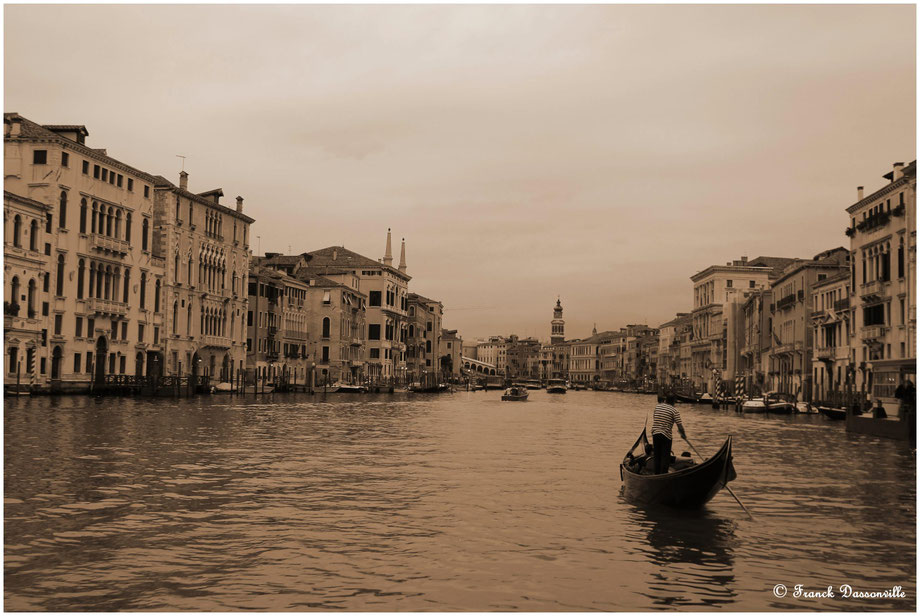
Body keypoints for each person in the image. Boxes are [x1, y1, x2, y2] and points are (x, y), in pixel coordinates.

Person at [651, 394, 687, 474]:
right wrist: (683, 435)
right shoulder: (674, 411)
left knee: (657, 455)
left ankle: (656, 474)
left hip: (655, 433)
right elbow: (680, 427)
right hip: (666, 435)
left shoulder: (658, 407)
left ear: (666, 400)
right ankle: (663, 474)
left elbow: (655, 418)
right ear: (674, 401)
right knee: (665, 457)